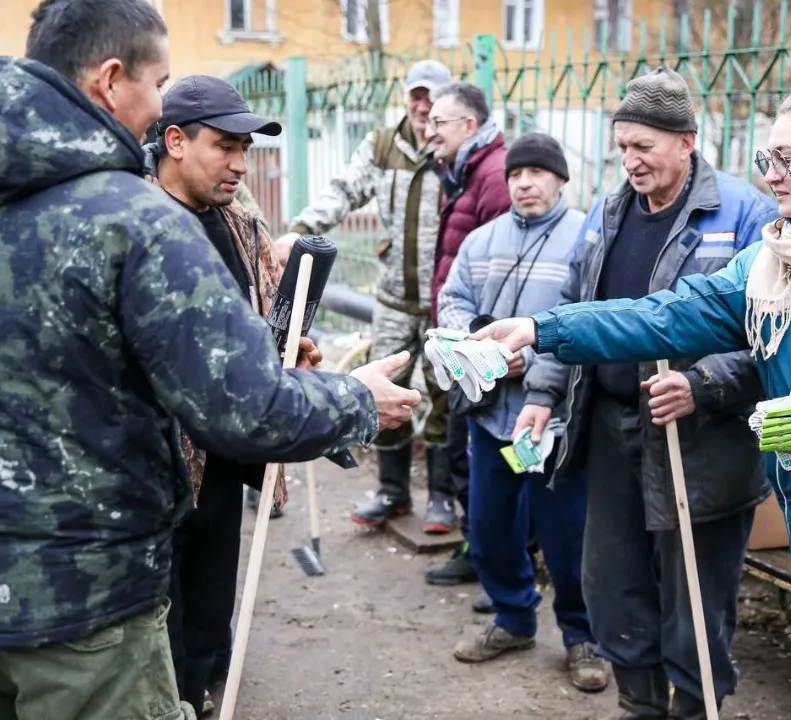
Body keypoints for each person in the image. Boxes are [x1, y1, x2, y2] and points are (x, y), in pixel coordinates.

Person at [475, 82, 791, 720]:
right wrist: (543, 331)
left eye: (785, 158)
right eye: (766, 159)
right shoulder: (774, 258)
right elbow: (667, 316)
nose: (769, 176)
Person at [0, 2, 420, 719]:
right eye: (157, 81)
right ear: (111, 80)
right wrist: (354, 400)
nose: (236, 162)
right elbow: (248, 406)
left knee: (208, 606)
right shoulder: (135, 219)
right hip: (86, 598)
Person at [495, 67, 777, 720]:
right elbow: (574, 305)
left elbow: (776, 334)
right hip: (609, 427)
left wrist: (704, 384)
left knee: (695, 597)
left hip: (700, 442)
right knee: (612, 583)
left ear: (687, 140)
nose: (630, 160)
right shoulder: (608, 209)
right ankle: (639, 706)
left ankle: (695, 706)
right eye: (622, 146)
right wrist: (542, 392)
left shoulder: (743, 215)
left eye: (644, 146)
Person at [143, 74, 310, 717]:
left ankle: (211, 684)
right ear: (176, 141)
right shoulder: (138, 221)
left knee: (214, 592)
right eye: (226, 146)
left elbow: (264, 311)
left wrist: (290, 350)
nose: (241, 164)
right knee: (163, 611)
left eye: (246, 148)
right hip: (156, 463)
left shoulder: (240, 223)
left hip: (223, 454)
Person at [437, 133, 607, 692]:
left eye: (537, 173)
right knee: (487, 527)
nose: (524, 183)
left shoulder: (587, 237)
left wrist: (527, 355)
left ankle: (583, 637)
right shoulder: (483, 240)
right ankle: (512, 619)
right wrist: (476, 348)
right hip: (491, 417)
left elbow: (589, 315)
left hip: (555, 420)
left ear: (561, 179)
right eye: (516, 174)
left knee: (566, 534)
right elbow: (452, 299)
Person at [274, 60, 463, 535]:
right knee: (388, 386)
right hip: (395, 298)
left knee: (444, 392)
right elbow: (343, 192)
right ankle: (392, 492)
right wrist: (298, 234)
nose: (422, 106)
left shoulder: (454, 150)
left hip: (444, 302)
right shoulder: (382, 145)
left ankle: (441, 497)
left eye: (431, 97)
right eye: (415, 96)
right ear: (405, 97)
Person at [422, 81, 512, 594]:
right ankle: (479, 548)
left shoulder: (492, 176)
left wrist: (482, 342)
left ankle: (491, 557)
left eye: (439, 122)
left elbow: (498, 267)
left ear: (469, 127)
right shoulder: (461, 172)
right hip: (464, 338)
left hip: (484, 344)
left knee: (479, 452)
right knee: (465, 447)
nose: (429, 130)